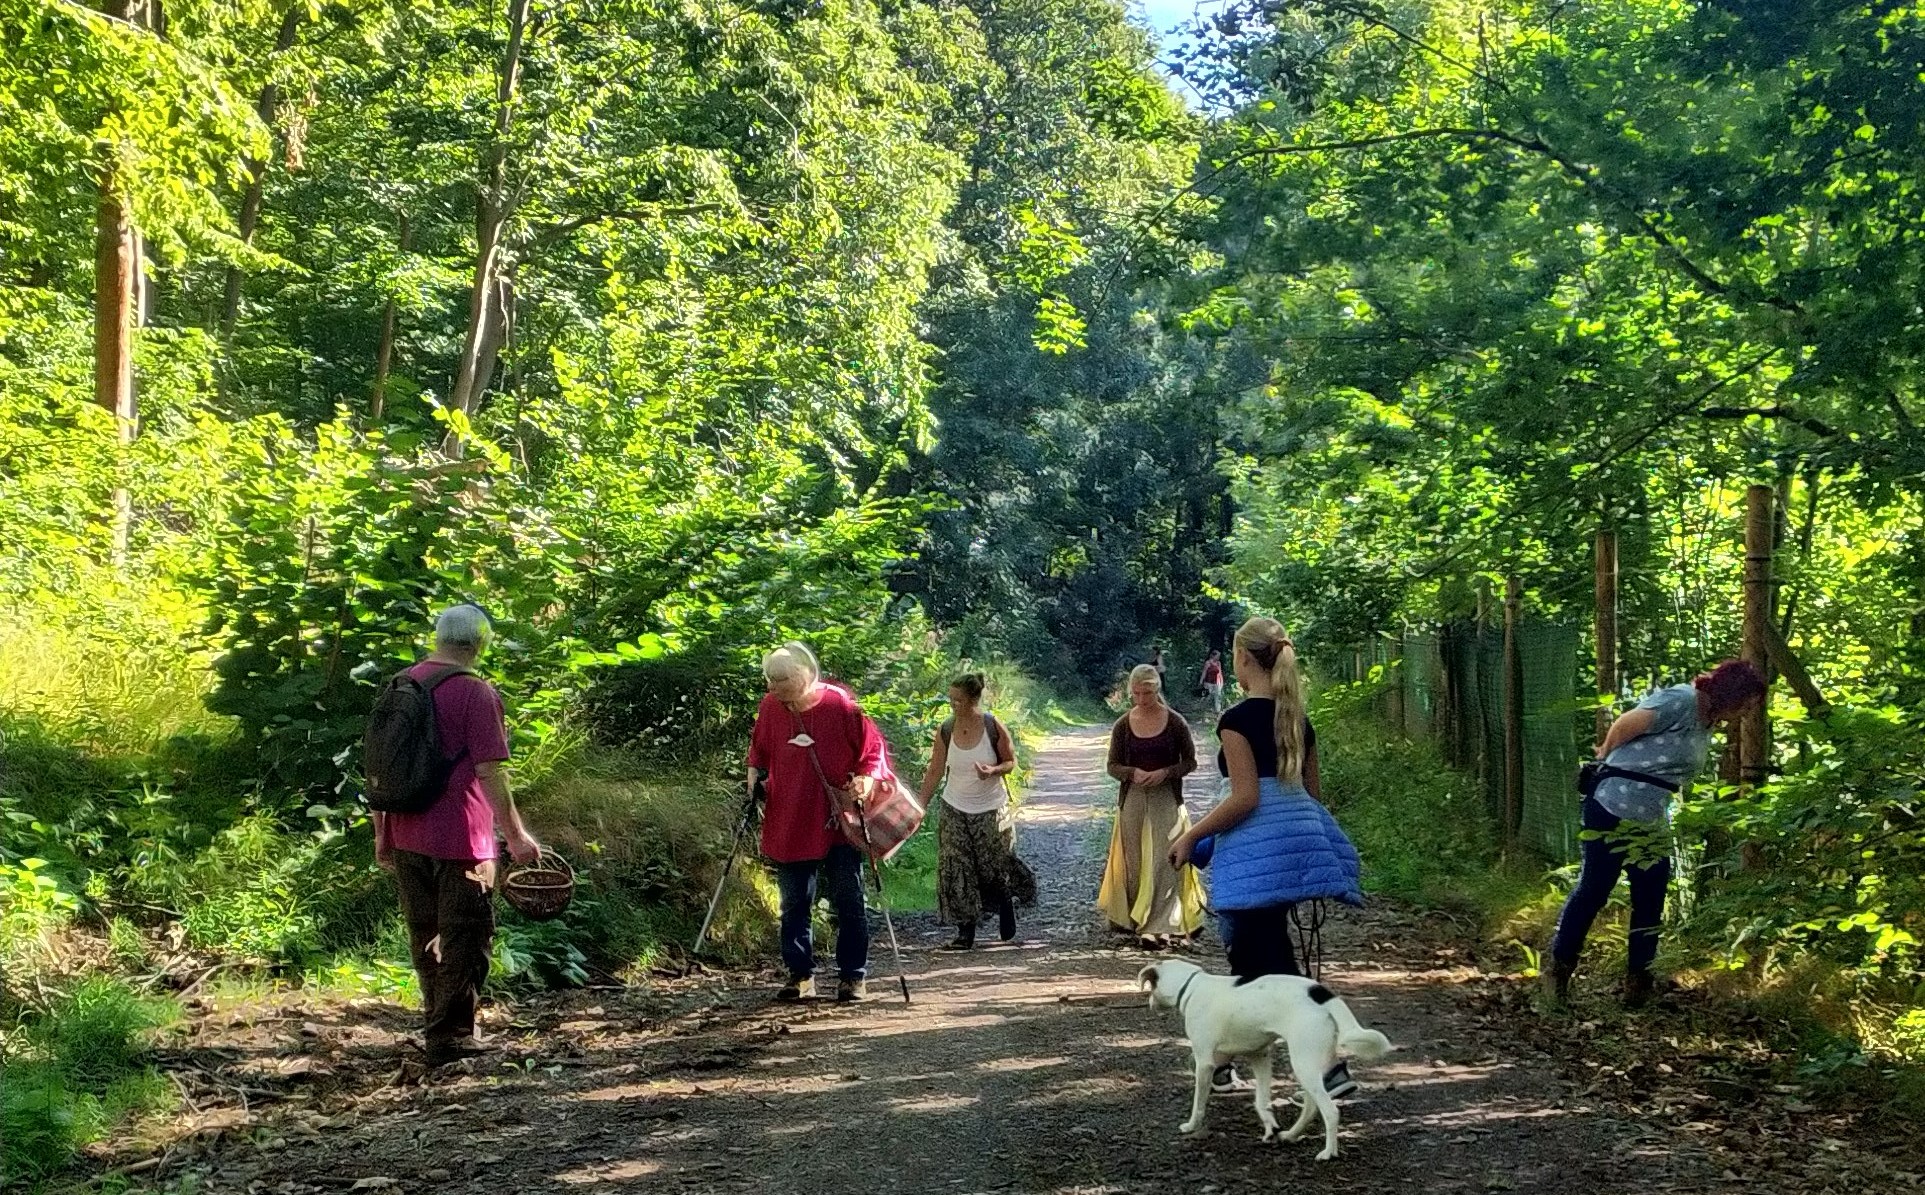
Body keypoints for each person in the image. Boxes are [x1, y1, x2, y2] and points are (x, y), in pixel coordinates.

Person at [1169, 616, 1362, 1098]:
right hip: (1295, 850)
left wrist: (1192, 836)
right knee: (1257, 959)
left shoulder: (1235, 721)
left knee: (1264, 965)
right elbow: (1313, 795)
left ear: (1241, 660)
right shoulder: (1299, 719)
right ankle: (1218, 1060)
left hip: (1255, 857)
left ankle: (1329, 1070)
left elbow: (1245, 798)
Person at [1544, 659, 1767, 1008]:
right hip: (1612, 805)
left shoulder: (1707, 721)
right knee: (1594, 890)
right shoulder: (1680, 701)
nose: (1750, 710)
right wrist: (1605, 754)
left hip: (1651, 817)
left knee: (1650, 900)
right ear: (1733, 694)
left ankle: (1638, 987)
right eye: (1749, 701)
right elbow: (1625, 724)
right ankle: (1558, 973)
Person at [374, 604, 541, 1068]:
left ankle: (438, 1025)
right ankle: (451, 1040)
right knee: (466, 937)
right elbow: (489, 772)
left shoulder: (400, 685)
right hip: (463, 841)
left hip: (406, 831)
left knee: (425, 933)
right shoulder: (476, 693)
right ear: (478, 644)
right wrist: (517, 834)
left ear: (439, 637)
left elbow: (379, 769)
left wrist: (381, 833)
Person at [747, 642, 887, 1003]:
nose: (772, 688)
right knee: (794, 901)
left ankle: (853, 977)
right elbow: (759, 750)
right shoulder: (770, 707)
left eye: (779, 680)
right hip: (790, 816)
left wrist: (865, 781)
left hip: (836, 818)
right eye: (770, 680)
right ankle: (800, 975)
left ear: (803, 676)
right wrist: (754, 776)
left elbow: (872, 752)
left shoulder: (840, 704)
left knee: (849, 898)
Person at [916, 674, 1037, 950]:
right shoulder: (946, 729)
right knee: (956, 865)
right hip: (954, 806)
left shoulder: (992, 726)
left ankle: (1005, 902)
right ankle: (964, 930)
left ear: (973, 700)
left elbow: (1010, 762)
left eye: (958, 700)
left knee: (993, 865)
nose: (953, 705)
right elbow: (935, 769)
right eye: (951, 699)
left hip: (990, 807)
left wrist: (993, 771)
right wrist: (921, 802)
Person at [1097, 665, 1205, 948]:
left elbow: (1190, 762)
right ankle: (1137, 920)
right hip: (1133, 795)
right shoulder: (1123, 725)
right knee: (1134, 861)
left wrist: (1166, 772)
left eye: (1148, 692)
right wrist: (1132, 773)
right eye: (1137, 693)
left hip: (1166, 796)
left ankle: (1162, 924)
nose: (1143, 699)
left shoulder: (1175, 722)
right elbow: (1112, 766)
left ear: (1157, 690)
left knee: (1164, 858)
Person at [1199, 649, 1225, 715]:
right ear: (1213, 656)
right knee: (1207, 697)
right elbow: (1204, 672)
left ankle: (1217, 711)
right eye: (1218, 656)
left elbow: (1220, 673)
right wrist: (1201, 681)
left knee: (1217, 696)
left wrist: (1221, 682)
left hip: (1217, 683)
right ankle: (1202, 709)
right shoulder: (1208, 663)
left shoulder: (1218, 663)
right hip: (1208, 683)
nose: (1219, 657)